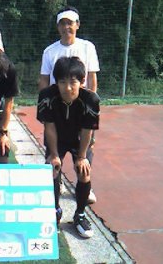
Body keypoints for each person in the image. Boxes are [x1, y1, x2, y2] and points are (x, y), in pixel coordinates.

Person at [38, 6, 100, 203]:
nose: (67, 27)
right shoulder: (50, 51)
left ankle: (82, 195)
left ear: (77, 25)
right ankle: (56, 190)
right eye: (63, 23)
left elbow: (91, 78)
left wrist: (90, 105)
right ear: (58, 27)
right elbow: (44, 80)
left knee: (83, 161)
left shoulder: (87, 47)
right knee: (53, 161)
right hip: (56, 109)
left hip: (80, 109)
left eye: (70, 23)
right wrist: (45, 106)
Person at [37, 56, 100, 239]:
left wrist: (81, 156)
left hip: (79, 139)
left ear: (82, 81)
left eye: (73, 82)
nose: (68, 87)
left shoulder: (91, 99)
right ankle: (54, 211)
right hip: (57, 136)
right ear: (56, 82)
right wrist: (54, 154)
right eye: (62, 82)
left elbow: (87, 131)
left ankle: (80, 214)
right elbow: (49, 126)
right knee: (52, 169)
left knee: (84, 171)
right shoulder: (47, 96)